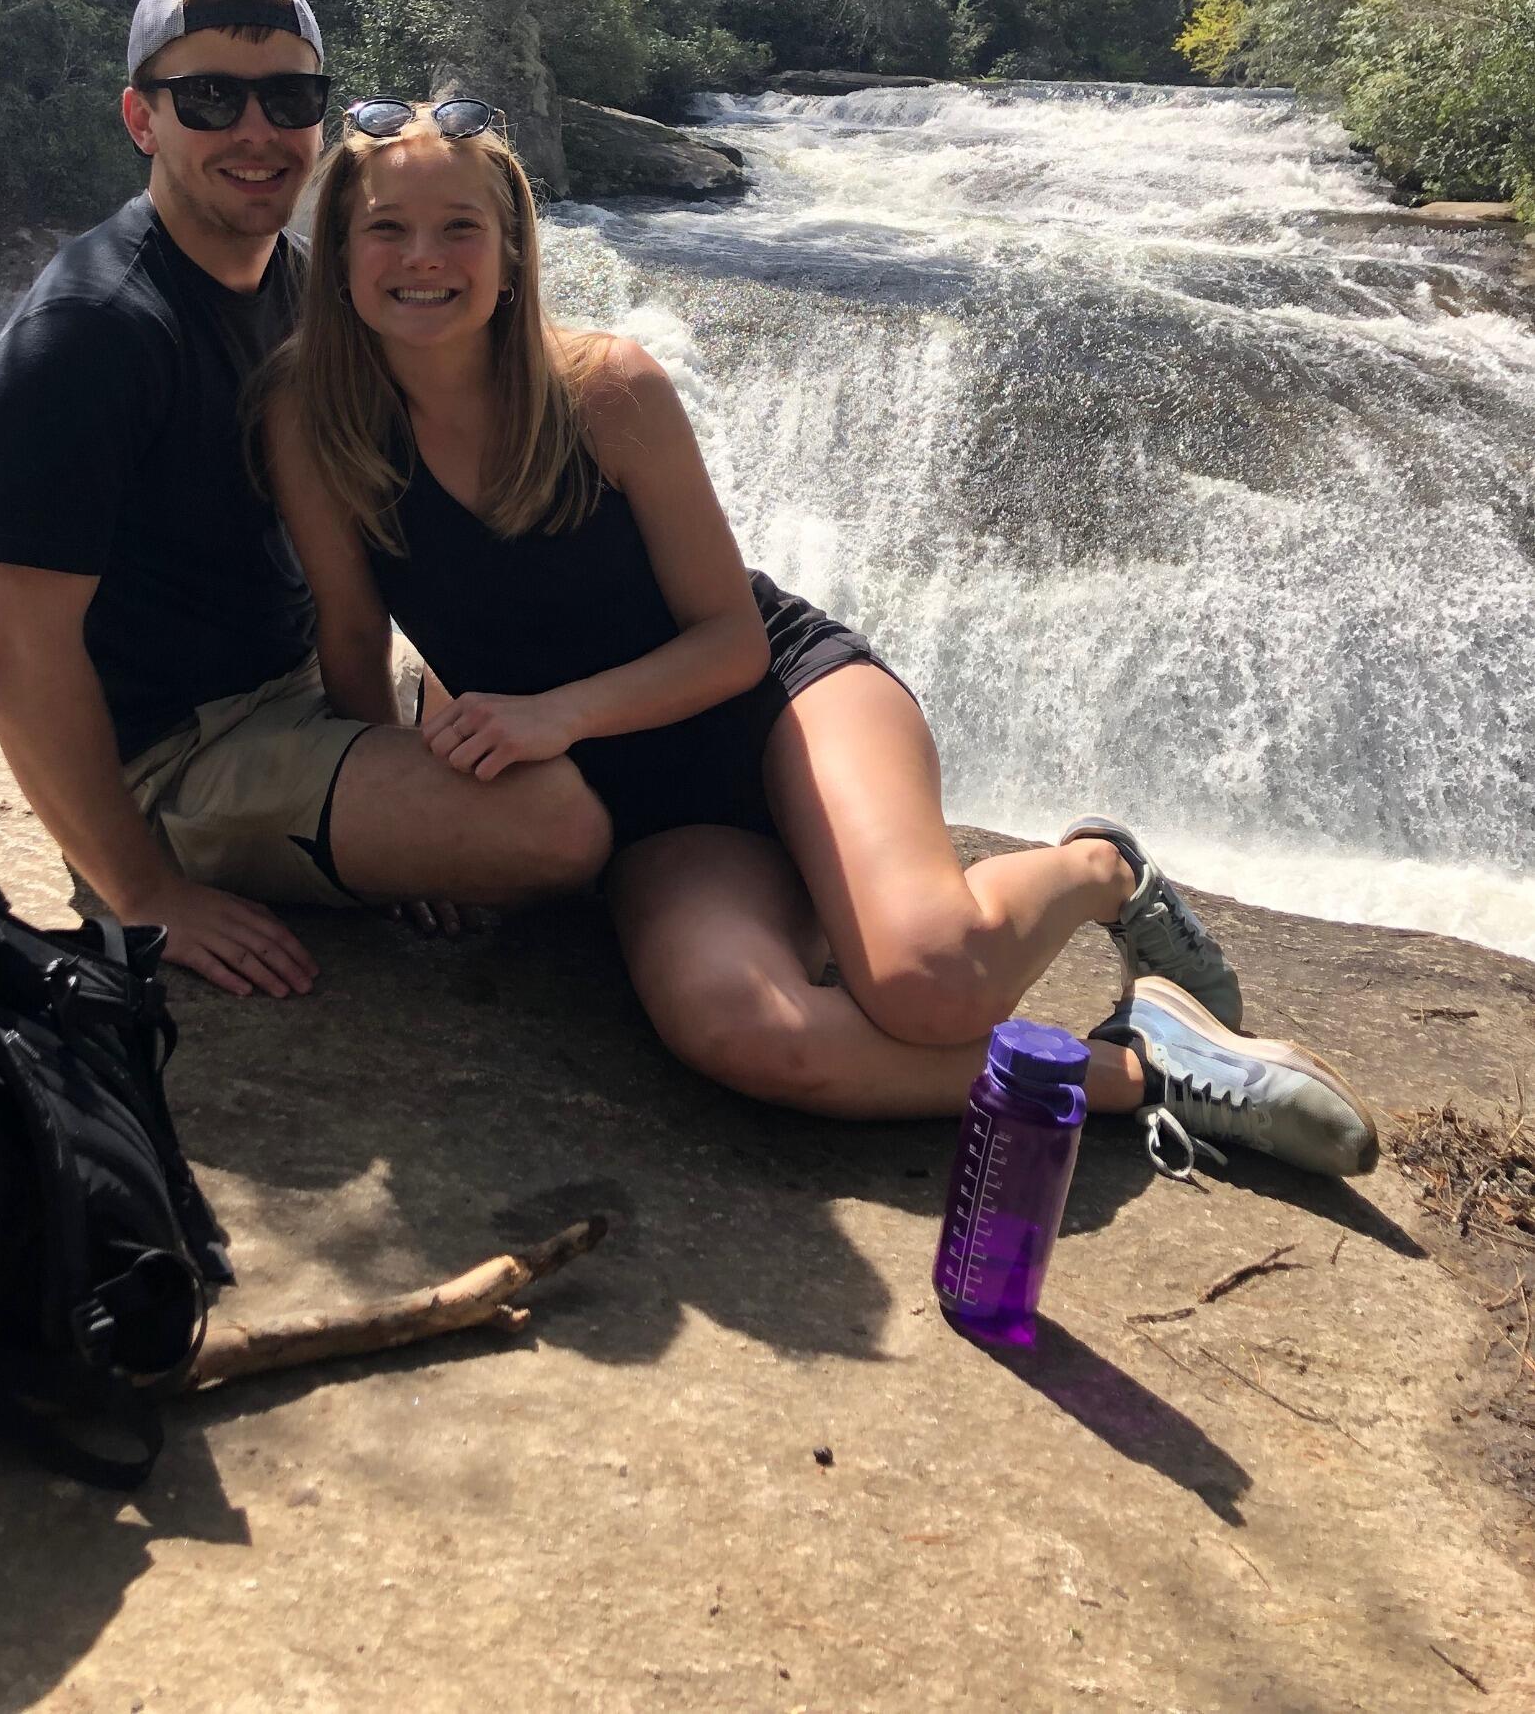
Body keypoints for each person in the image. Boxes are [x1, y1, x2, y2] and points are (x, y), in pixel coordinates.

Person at [259, 98, 1381, 1179]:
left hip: (782, 703)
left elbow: (730, 642)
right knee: (751, 1035)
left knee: (932, 985)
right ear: (339, 251)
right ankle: (1147, 1069)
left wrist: (555, 714)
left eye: (461, 228)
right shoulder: (312, 421)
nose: (425, 257)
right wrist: (411, 828)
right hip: (651, 817)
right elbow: (355, 643)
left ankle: (1101, 870)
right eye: (387, 229)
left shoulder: (605, 389)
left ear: (511, 255)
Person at [0, 0, 611, 999]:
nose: (256, 132)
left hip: (298, 704)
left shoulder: (306, 289)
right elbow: (8, 650)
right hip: (175, 760)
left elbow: (377, 566)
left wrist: (391, 788)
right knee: (558, 824)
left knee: (592, 716)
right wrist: (143, 888)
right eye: (209, 98)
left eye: (290, 97)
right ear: (141, 118)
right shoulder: (86, 341)